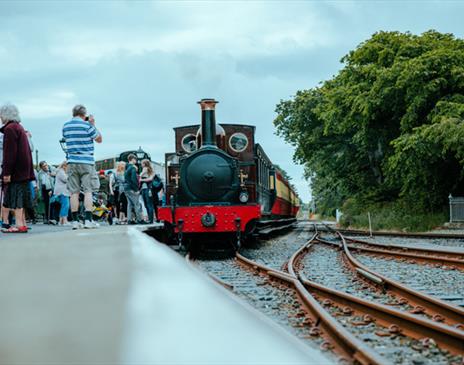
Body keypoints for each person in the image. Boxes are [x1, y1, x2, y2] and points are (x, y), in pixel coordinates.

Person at [62, 104, 102, 229]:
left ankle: (75, 221)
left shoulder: (66, 126)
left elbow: (65, 138)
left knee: (74, 192)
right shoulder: (87, 125)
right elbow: (99, 139)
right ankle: (88, 221)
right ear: (84, 114)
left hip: (72, 161)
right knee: (88, 191)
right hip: (87, 161)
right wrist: (92, 124)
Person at [0, 103, 35, 233]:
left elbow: (9, 153)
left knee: (16, 197)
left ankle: (19, 225)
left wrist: (6, 173)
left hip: (16, 170)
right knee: (21, 196)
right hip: (25, 169)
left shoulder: (9, 129)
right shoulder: (19, 127)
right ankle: (22, 224)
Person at [124, 154, 143, 224]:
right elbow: (134, 179)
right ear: (132, 159)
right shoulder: (132, 168)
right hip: (132, 188)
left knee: (129, 205)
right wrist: (136, 189)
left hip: (126, 188)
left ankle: (129, 220)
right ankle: (140, 219)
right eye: (135, 159)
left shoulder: (126, 168)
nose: (136, 161)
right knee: (137, 204)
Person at [53, 161, 70, 226]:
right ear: (64, 166)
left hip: (62, 191)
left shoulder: (60, 171)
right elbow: (65, 179)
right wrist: (70, 175)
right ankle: (64, 221)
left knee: (64, 205)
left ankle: (61, 221)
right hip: (62, 192)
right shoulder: (61, 171)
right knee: (66, 205)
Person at [140, 159, 155, 223]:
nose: (141, 165)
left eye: (142, 163)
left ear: (145, 164)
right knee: (148, 204)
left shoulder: (145, 169)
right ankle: (150, 219)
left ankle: (150, 220)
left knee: (148, 204)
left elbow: (150, 179)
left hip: (147, 189)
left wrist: (141, 180)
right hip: (146, 189)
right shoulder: (152, 170)